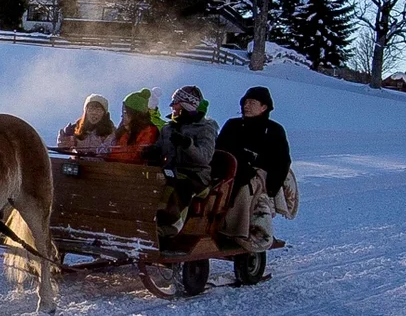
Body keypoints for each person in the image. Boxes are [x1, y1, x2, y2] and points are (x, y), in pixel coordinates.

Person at [216, 86, 291, 251]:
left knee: (245, 188)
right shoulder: (233, 125)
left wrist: (271, 188)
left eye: (252, 102)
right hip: (230, 168)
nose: (246, 106)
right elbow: (219, 150)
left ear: (264, 107)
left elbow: (281, 162)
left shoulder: (273, 130)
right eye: (245, 102)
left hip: (258, 174)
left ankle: (236, 231)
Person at [146, 85, 218, 245]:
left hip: (196, 176)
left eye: (176, 103)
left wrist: (187, 145)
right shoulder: (168, 128)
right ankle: (141, 224)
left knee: (178, 188)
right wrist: (152, 152)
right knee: (148, 182)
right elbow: (160, 148)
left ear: (187, 105)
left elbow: (205, 157)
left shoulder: (205, 128)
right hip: (170, 172)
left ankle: (166, 231)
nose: (172, 107)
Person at [107, 88, 162, 166]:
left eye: (125, 112)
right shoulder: (123, 131)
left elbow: (135, 156)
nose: (122, 115)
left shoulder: (149, 131)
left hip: (136, 174)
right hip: (115, 171)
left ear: (135, 115)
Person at [57, 94, 117, 158]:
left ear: (104, 114)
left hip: (101, 166)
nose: (94, 113)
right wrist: (65, 137)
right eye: (90, 109)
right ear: (85, 112)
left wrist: (92, 155)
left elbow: (108, 150)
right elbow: (65, 148)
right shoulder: (77, 128)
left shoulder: (110, 130)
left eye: (98, 110)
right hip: (79, 164)